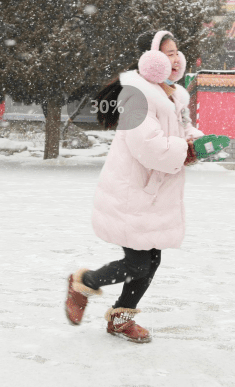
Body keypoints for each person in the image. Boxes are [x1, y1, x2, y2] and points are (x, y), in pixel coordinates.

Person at [64, 30, 204, 343]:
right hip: (133, 189)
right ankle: (82, 282)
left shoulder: (174, 94)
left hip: (156, 190)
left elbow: (184, 129)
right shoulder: (137, 94)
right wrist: (186, 151)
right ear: (151, 59)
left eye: (176, 52)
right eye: (167, 53)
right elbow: (148, 146)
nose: (175, 58)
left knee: (151, 260)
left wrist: (197, 140)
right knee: (138, 262)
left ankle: (121, 318)